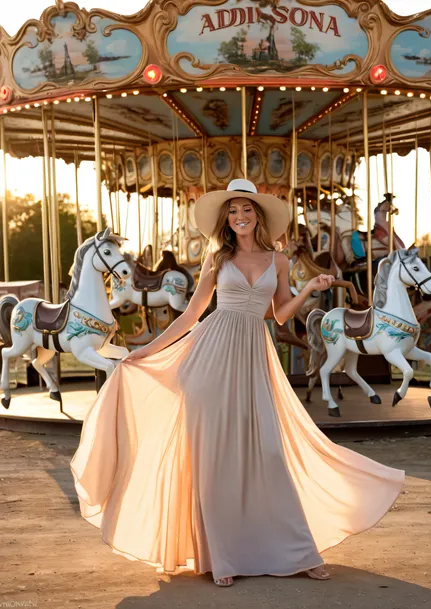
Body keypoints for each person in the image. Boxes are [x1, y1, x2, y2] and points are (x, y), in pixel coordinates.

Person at [70, 179, 404, 588]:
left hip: (252, 359)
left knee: (268, 453)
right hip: (209, 360)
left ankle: (299, 551)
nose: (240, 216)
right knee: (212, 459)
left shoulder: (277, 260)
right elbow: (190, 315)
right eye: (233, 211)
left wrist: (310, 290)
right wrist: (146, 351)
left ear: (258, 216)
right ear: (226, 219)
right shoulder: (217, 258)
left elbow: (280, 314)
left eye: (246, 210)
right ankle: (220, 556)